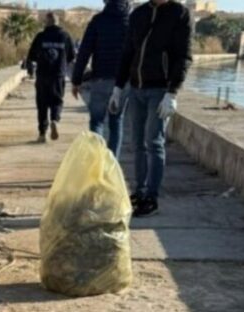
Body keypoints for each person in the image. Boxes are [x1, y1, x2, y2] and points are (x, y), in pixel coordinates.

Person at [111, 0, 192, 217]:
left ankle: (152, 197)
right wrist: (118, 87)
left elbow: (183, 56)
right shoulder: (139, 14)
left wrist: (172, 92)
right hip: (136, 88)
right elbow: (128, 51)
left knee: (154, 142)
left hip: (160, 89)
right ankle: (140, 190)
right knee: (137, 143)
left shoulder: (179, 13)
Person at [71, 0, 130, 157]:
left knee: (97, 121)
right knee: (116, 122)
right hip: (122, 82)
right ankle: (112, 168)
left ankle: (96, 163)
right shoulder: (130, 21)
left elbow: (84, 52)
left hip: (100, 79)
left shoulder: (98, 21)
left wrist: (76, 80)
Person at [26, 13, 75, 143]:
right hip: (58, 75)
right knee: (57, 100)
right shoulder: (65, 36)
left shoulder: (40, 37)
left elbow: (31, 55)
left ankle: (42, 134)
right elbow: (71, 56)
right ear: (58, 22)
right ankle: (55, 119)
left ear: (46, 22)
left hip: (42, 74)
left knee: (42, 104)